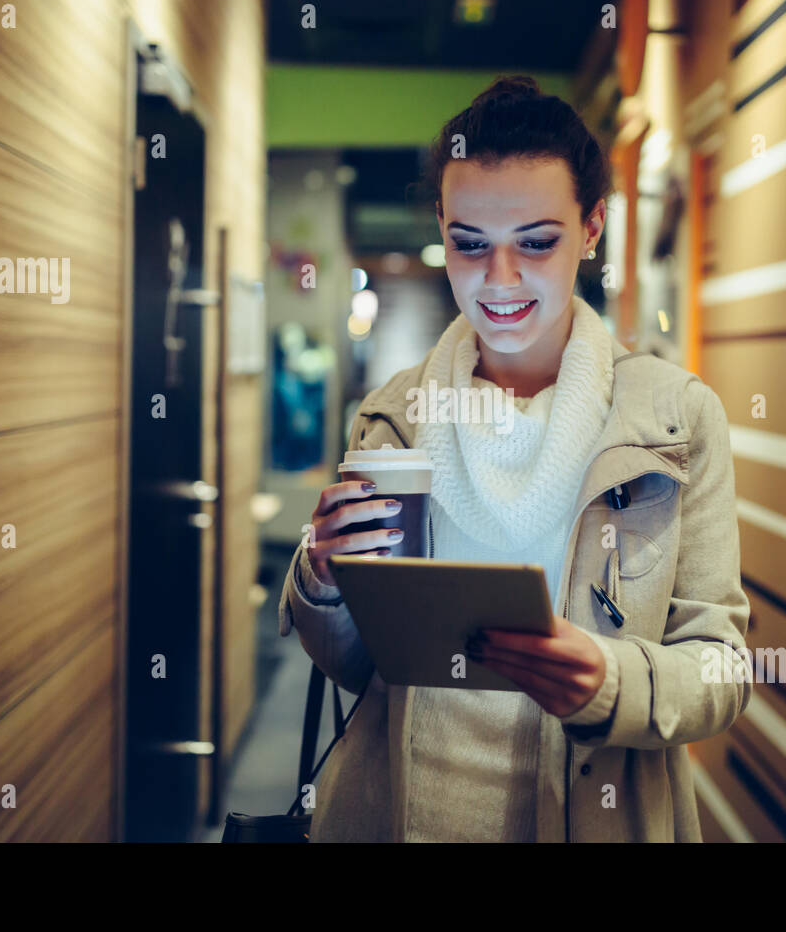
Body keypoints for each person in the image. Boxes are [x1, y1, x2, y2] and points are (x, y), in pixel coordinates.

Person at [278, 75, 751, 842]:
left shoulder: (674, 418)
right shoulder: (394, 416)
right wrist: (323, 579)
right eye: (470, 245)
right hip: (399, 812)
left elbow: (723, 669)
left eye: (536, 242)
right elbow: (356, 666)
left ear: (592, 227)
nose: (499, 282)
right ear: (441, 223)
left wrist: (611, 681)